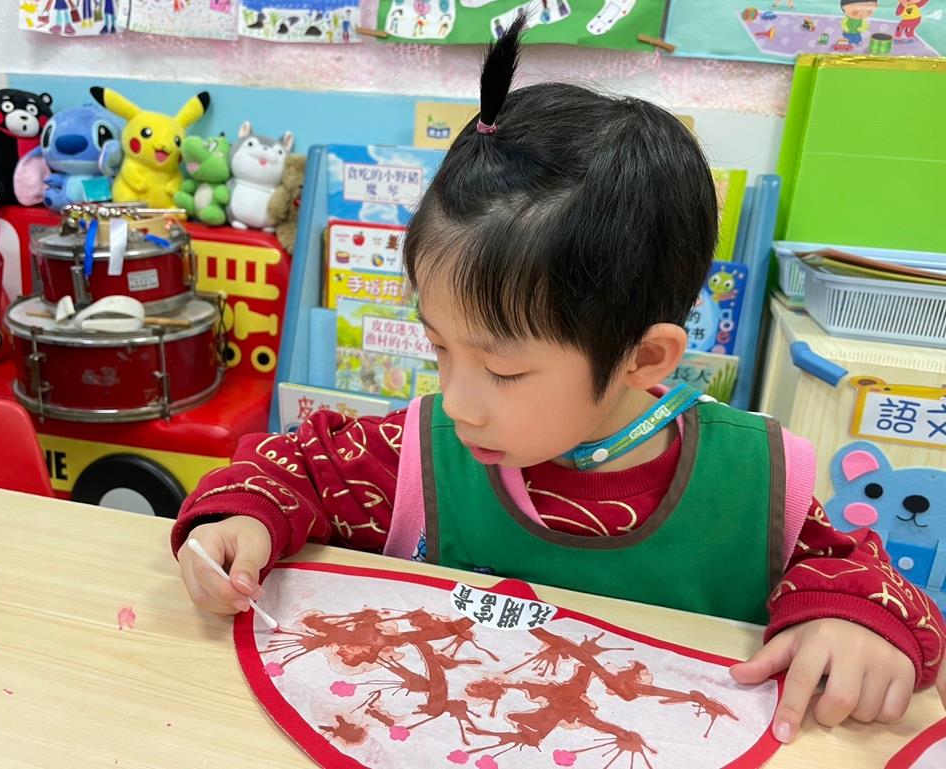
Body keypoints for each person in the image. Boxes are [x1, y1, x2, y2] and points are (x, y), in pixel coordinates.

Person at [173, 17, 946, 743]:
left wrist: (852, 625)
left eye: (504, 369)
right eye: (440, 347)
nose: (457, 401)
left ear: (645, 358)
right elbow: (295, 468)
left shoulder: (754, 485)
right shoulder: (419, 455)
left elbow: (870, 583)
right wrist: (242, 523)